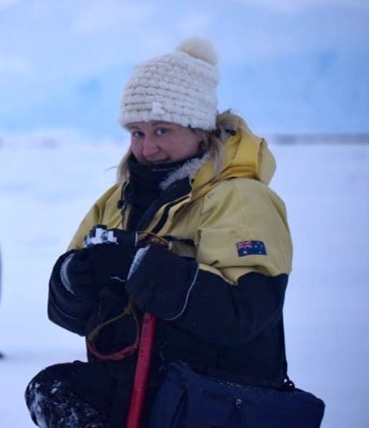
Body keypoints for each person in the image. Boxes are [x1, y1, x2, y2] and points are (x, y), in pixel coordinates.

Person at [25, 38, 295, 427]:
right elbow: (67, 313)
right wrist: (76, 277)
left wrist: (141, 267)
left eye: (162, 130)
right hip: (137, 388)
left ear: (200, 130)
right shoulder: (119, 199)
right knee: (52, 389)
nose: (147, 148)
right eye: (137, 133)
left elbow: (245, 314)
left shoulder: (240, 198)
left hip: (212, 397)